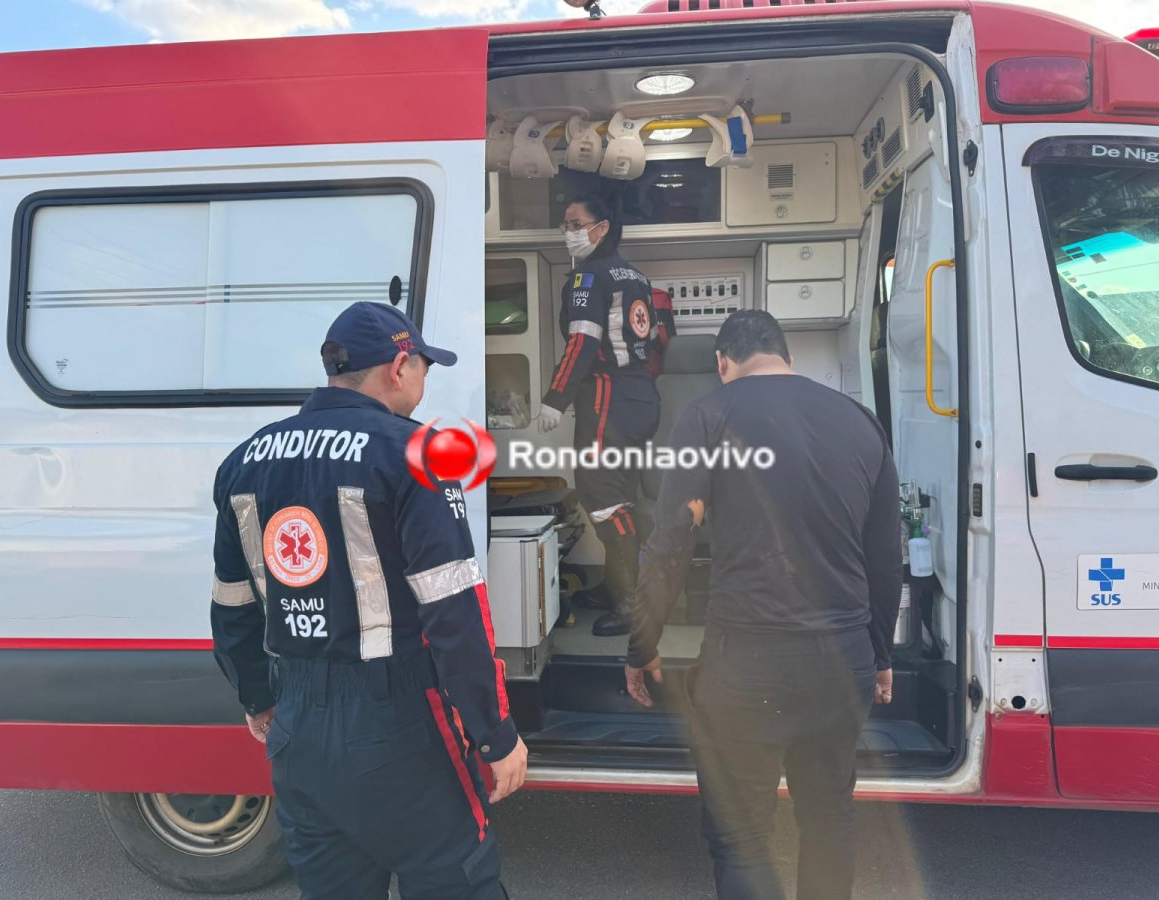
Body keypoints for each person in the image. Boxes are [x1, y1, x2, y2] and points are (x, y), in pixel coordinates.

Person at [210, 301, 527, 900]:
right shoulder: (419, 456)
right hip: (400, 727)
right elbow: (455, 614)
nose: (424, 382)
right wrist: (496, 733)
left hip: (297, 727)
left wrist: (258, 698)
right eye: (425, 367)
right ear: (400, 366)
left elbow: (232, 608)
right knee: (454, 881)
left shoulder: (243, 461)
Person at [624, 310, 901, 900]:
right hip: (842, 658)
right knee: (829, 817)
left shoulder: (707, 416)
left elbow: (671, 542)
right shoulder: (858, 420)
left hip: (745, 665)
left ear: (723, 363)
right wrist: (879, 655)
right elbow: (884, 558)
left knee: (743, 837)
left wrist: (641, 644)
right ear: (788, 358)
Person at [536, 191, 661, 636]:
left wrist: (555, 398)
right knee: (620, 497)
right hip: (639, 396)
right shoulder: (636, 275)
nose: (568, 232)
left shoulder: (588, 277)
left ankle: (633, 603)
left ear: (602, 227)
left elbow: (583, 344)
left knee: (602, 500)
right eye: (565, 224)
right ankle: (615, 587)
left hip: (608, 397)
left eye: (576, 223)